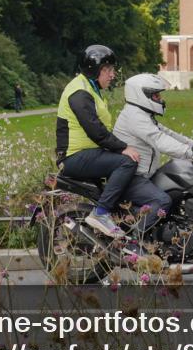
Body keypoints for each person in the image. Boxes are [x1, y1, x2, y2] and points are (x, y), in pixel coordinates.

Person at [55, 44, 141, 239]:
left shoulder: (89, 88)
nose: (113, 74)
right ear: (94, 70)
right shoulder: (80, 92)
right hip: (74, 157)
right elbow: (95, 130)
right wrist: (124, 148)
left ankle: (119, 216)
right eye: (108, 69)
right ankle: (101, 213)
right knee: (127, 161)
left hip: (86, 153)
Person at [113, 74, 193, 237]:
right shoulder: (135, 116)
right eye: (156, 95)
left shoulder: (141, 114)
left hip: (142, 174)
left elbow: (166, 133)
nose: (160, 99)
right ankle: (132, 240)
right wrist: (191, 152)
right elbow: (158, 139)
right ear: (142, 95)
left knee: (175, 193)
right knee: (163, 201)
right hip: (132, 177)